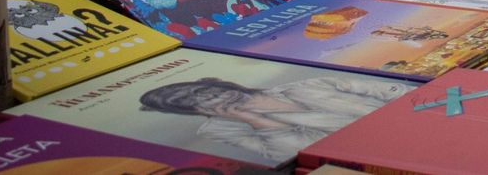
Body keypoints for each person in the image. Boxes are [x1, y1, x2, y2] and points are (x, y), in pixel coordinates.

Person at [137, 75, 400, 165]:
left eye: (205, 90)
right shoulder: (219, 129)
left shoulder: (310, 84)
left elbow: (399, 93)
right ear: (193, 110)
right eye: (196, 101)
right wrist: (255, 120)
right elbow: (291, 155)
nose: (212, 97)